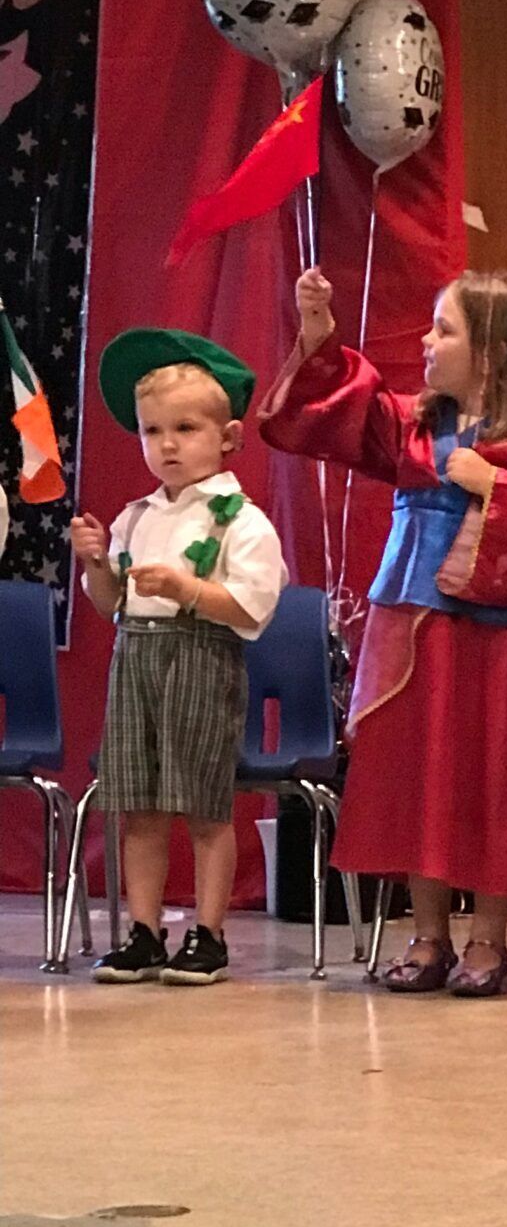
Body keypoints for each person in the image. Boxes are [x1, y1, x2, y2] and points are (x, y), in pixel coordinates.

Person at [259, 266, 507, 999]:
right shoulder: (415, 424)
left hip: (496, 638)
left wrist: (492, 486)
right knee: (420, 777)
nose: (427, 340)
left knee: (490, 777)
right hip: (409, 623)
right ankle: (427, 933)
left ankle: (488, 938)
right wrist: (320, 339)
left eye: (445, 329)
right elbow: (332, 414)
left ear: (495, 352)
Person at [68, 331, 287, 984]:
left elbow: (251, 608)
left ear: (228, 437)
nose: (166, 444)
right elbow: (111, 603)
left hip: (200, 661)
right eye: (152, 430)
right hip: (136, 661)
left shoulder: (240, 521)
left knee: (203, 804)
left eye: (185, 428)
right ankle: (143, 929)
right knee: (139, 803)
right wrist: (99, 563)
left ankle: (209, 933)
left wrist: (190, 589)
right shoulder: (136, 516)